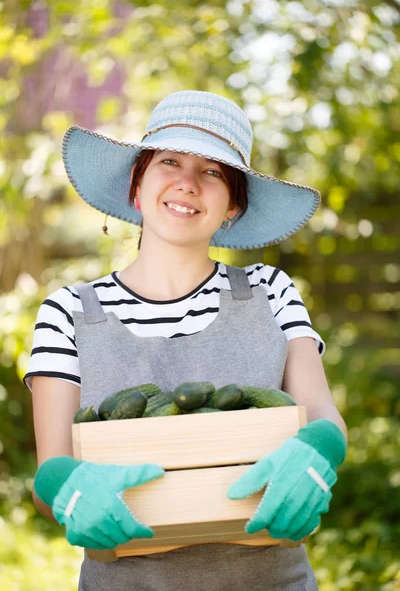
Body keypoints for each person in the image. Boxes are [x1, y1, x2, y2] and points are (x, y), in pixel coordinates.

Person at [25, 90, 348, 591]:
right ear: (137, 187)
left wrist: (319, 451)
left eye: (213, 171)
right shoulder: (67, 311)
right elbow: (50, 475)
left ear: (233, 207)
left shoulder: (270, 290)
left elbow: (324, 415)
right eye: (169, 161)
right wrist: (65, 489)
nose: (187, 183)